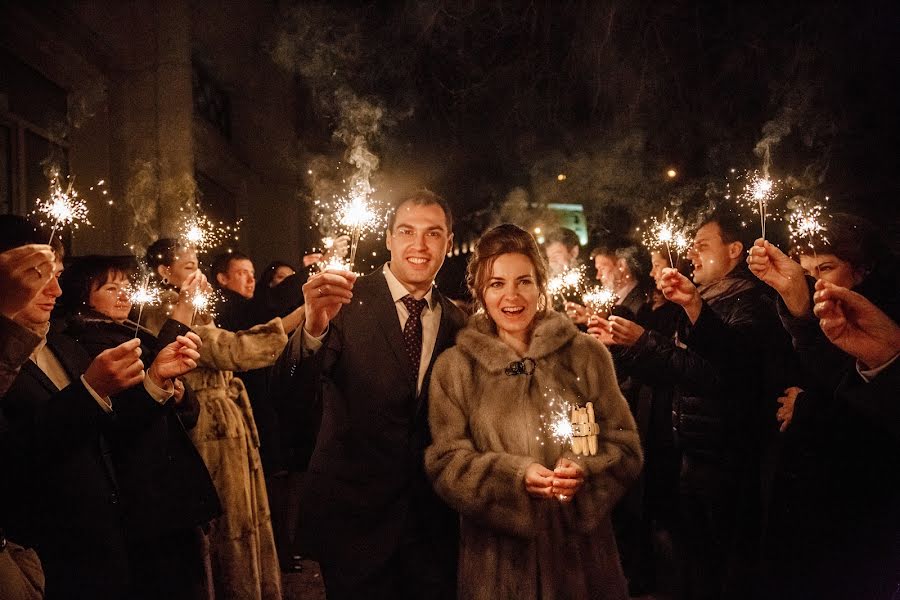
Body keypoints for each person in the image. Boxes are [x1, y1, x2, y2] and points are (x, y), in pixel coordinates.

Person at [424, 223, 642, 600]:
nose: (512, 296)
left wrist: (584, 471)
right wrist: (512, 477)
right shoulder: (456, 367)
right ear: (479, 291)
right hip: (497, 568)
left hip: (583, 566)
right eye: (496, 284)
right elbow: (445, 460)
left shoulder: (585, 354)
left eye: (524, 281)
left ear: (541, 284)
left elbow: (624, 446)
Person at [271, 189, 466, 600]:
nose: (419, 245)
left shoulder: (457, 320)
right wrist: (311, 330)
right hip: (353, 517)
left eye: (433, 234)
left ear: (448, 243)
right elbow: (289, 394)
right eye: (407, 231)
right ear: (390, 238)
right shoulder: (344, 300)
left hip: (431, 524)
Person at [0, 216, 204, 598]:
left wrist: (156, 382)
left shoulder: (61, 344)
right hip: (51, 553)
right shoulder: (22, 356)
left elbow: (112, 432)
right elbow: (14, 455)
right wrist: (89, 391)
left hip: (112, 542)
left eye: (58, 274)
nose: (55, 290)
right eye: (38, 274)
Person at [614, 211, 792, 599]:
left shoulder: (751, 302)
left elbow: (722, 371)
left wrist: (648, 339)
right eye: (692, 245)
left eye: (703, 245)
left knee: (724, 566)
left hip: (727, 455)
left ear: (734, 250)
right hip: (692, 449)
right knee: (694, 562)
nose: (692, 253)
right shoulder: (705, 300)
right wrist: (627, 347)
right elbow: (674, 371)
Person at [57, 253, 221, 599]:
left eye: (127, 286)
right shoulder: (87, 344)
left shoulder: (137, 333)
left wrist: (175, 394)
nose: (124, 294)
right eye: (110, 288)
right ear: (84, 296)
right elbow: (125, 415)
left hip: (169, 488)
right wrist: (180, 317)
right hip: (143, 496)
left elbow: (185, 406)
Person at [143, 239, 285, 600]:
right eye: (189, 267)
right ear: (164, 272)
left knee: (241, 519)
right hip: (206, 429)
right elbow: (232, 349)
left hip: (225, 424)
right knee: (224, 527)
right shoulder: (164, 313)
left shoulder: (194, 309)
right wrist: (298, 318)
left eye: (197, 265)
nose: (198, 274)